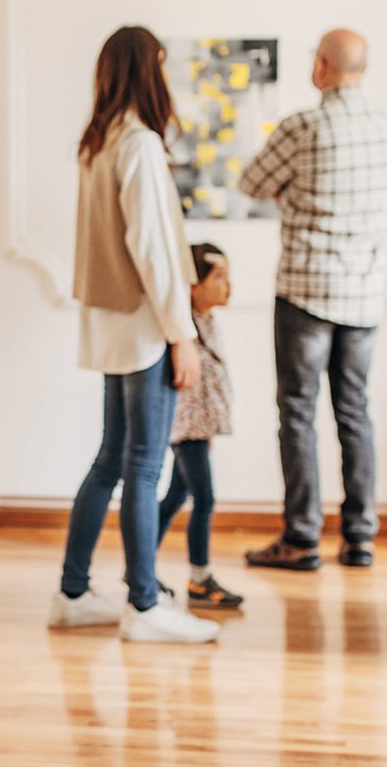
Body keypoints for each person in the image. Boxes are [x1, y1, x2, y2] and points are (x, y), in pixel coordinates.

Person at [49, 26, 222, 645]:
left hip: (110, 326)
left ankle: (73, 593)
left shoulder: (97, 144)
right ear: (148, 69)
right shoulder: (140, 144)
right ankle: (144, 605)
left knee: (110, 461)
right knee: (144, 468)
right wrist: (183, 335)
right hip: (148, 329)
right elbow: (152, 250)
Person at [237, 29, 387, 572]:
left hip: (307, 290)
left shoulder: (303, 127)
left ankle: (302, 537)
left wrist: (290, 190)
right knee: (355, 413)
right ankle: (359, 538)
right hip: (365, 293)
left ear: (324, 68)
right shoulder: (385, 129)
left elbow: (252, 183)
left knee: (299, 414)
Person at [155, 243, 245, 610]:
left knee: (176, 497)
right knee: (204, 499)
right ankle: (199, 578)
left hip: (200, 429)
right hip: (187, 430)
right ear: (193, 284)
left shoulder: (207, 322)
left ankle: (140, 567)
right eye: (218, 277)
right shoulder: (183, 328)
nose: (228, 286)